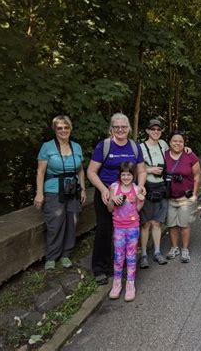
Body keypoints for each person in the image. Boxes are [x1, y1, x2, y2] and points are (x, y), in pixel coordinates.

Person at [87, 113, 147, 286]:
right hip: (107, 193)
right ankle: (101, 268)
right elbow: (91, 171)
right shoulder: (104, 146)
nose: (120, 130)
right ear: (111, 129)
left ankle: (123, 266)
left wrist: (141, 186)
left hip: (129, 195)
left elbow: (142, 170)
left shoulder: (135, 147)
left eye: (123, 127)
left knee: (127, 229)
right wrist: (104, 190)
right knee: (105, 229)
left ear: (128, 129)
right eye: (116, 127)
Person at [35, 115, 86, 270]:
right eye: (60, 128)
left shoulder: (76, 147)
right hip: (53, 189)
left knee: (72, 221)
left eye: (66, 127)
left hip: (73, 189)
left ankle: (66, 255)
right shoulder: (47, 147)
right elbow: (40, 172)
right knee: (55, 223)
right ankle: (52, 256)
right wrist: (39, 193)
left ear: (70, 129)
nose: (63, 130)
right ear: (55, 130)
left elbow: (80, 170)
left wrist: (83, 188)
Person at [107, 162, 144, 302]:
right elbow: (110, 209)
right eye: (123, 174)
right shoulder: (114, 188)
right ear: (120, 175)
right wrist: (112, 200)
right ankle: (116, 283)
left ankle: (130, 284)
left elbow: (138, 209)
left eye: (129, 174)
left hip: (133, 227)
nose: (126, 177)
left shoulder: (136, 189)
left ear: (133, 175)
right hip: (118, 227)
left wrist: (141, 200)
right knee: (118, 256)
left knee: (131, 256)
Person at [164, 130, 201, 263]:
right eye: (175, 141)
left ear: (184, 143)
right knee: (172, 224)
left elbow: (197, 176)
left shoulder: (190, 155)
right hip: (170, 197)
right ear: (169, 142)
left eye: (180, 141)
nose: (177, 143)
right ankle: (175, 247)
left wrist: (195, 195)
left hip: (186, 198)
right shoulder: (164, 155)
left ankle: (185, 249)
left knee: (184, 224)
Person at [138, 119, 169, 268]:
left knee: (157, 223)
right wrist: (149, 170)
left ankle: (157, 252)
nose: (156, 131)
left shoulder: (163, 145)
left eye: (158, 129)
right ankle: (143, 254)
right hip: (147, 186)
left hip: (161, 186)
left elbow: (175, 153)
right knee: (145, 224)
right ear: (147, 131)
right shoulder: (140, 147)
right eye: (153, 129)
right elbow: (134, 168)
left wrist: (186, 148)